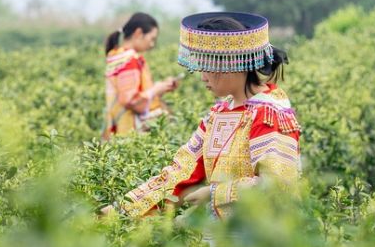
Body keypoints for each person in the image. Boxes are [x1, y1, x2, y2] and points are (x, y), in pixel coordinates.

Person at [100, 12, 301, 220]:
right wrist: (122, 210)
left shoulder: (270, 111)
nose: (203, 76)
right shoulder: (219, 113)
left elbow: (278, 184)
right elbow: (181, 173)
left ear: (230, 63)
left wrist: (215, 193)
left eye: (207, 67)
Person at [101, 12, 179, 140]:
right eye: (152, 39)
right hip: (129, 130)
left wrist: (160, 88)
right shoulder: (129, 60)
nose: (152, 44)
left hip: (116, 125)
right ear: (138, 33)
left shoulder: (117, 56)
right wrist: (155, 90)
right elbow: (130, 100)